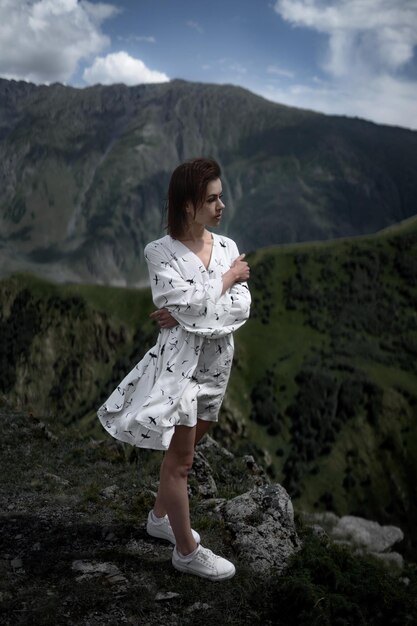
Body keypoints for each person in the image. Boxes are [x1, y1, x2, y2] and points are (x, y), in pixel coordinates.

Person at [98, 157, 251, 581]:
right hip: (179, 368)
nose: (221, 206)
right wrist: (224, 282)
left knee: (186, 448)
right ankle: (186, 551)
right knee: (180, 462)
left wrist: (189, 309)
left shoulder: (226, 246)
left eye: (221, 197)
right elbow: (193, 305)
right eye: (211, 199)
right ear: (187, 205)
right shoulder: (159, 251)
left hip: (217, 366)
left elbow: (242, 308)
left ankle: (159, 518)